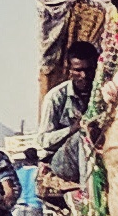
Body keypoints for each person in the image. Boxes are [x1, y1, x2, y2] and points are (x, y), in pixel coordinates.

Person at [38, 42, 97, 189]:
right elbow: (43, 140)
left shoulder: (103, 93)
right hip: (61, 162)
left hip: (97, 154)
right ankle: (87, 193)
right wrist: (73, 129)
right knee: (83, 135)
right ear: (69, 70)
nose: (84, 76)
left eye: (89, 70)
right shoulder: (56, 97)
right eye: (78, 70)